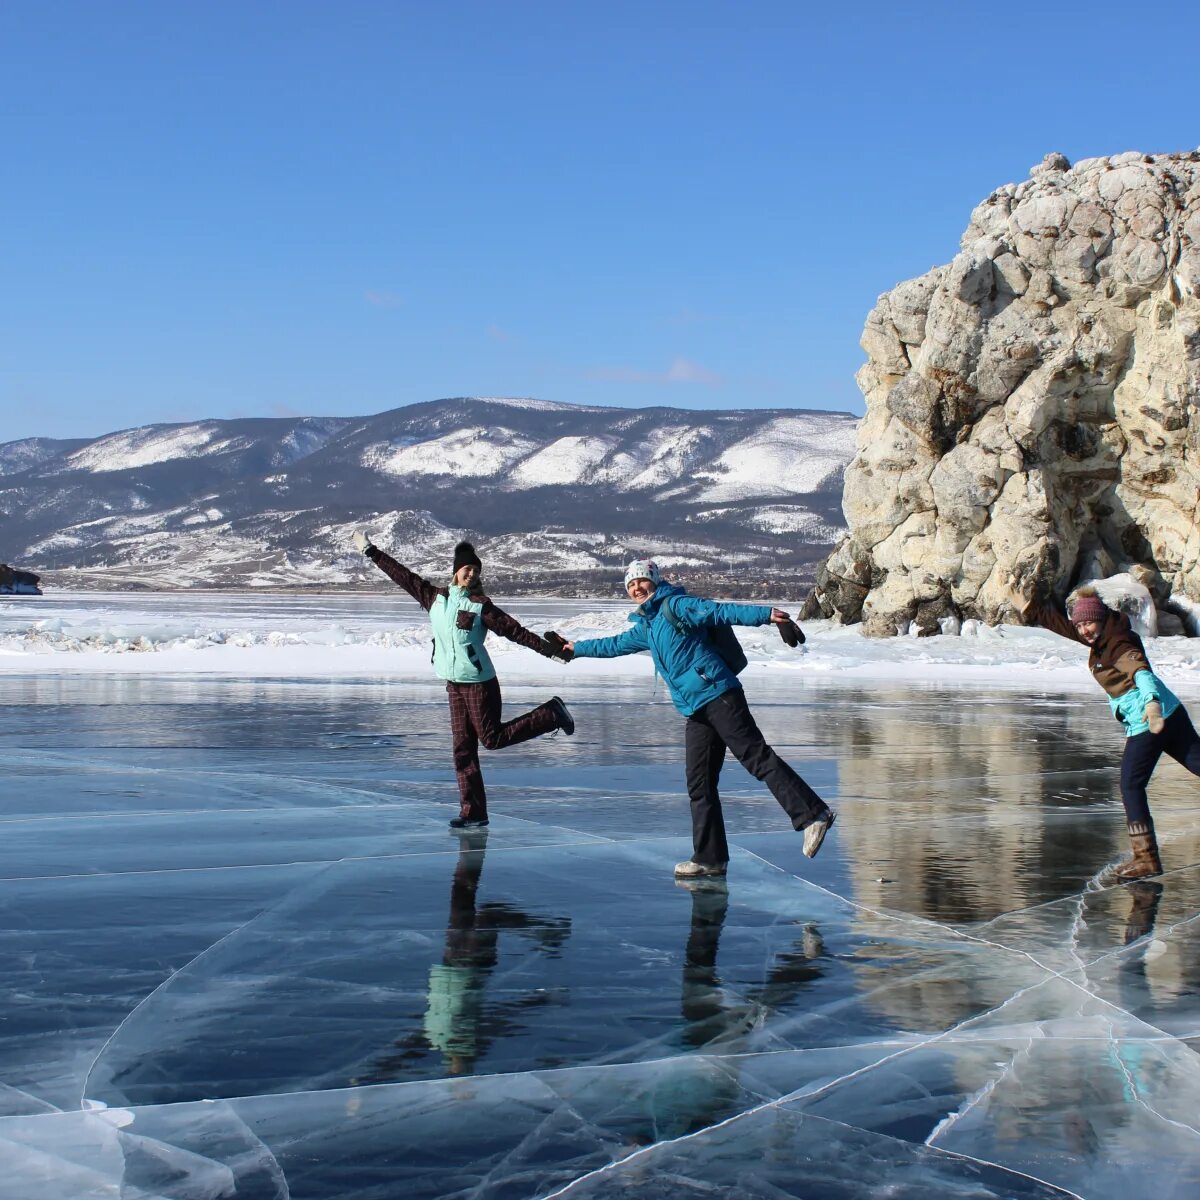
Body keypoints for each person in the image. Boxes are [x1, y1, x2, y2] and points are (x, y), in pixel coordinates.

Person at [553, 558, 835, 878]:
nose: (636, 588)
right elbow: (614, 644)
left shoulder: (677, 605)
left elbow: (718, 611)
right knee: (699, 782)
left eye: (641, 581)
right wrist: (575, 648)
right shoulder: (648, 625)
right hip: (695, 709)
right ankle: (709, 857)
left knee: (756, 757)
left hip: (718, 694)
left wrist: (767, 615)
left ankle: (814, 814)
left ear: (655, 582)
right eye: (630, 585)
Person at [352, 532, 574, 829]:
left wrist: (550, 651)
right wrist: (371, 551)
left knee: (491, 739)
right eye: (467, 568)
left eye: (476, 570)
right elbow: (402, 575)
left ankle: (551, 714)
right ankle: (474, 813)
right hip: (454, 684)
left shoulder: (481, 606)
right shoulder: (434, 599)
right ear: (456, 571)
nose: (471, 574)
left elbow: (515, 631)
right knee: (462, 749)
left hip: (480, 683)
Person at [1014, 582, 1200, 881]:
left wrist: (1151, 705)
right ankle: (1145, 858)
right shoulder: (1105, 632)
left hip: (1149, 719)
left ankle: (1146, 859)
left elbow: (1141, 672)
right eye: (1082, 625)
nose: (1085, 630)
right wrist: (1032, 610)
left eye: (1089, 623)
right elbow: (1067, 626)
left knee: (1130, 785)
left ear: (1100, 618)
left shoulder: (1118, 644)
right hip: (1171, 711)